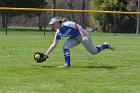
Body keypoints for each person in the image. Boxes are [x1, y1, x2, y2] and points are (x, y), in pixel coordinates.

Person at [44, 17, 114, 68]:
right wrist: (46, 54)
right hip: (74, 38)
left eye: (53, 24)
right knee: (65, 46)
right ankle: (67, 64)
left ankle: (105, 45)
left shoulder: (67, 24)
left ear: (57, 23)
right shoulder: (58, 32)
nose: (52, 26)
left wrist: (83, 36)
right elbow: (54, 44)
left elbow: (79, 27)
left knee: (94, 51)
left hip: (82, 34)